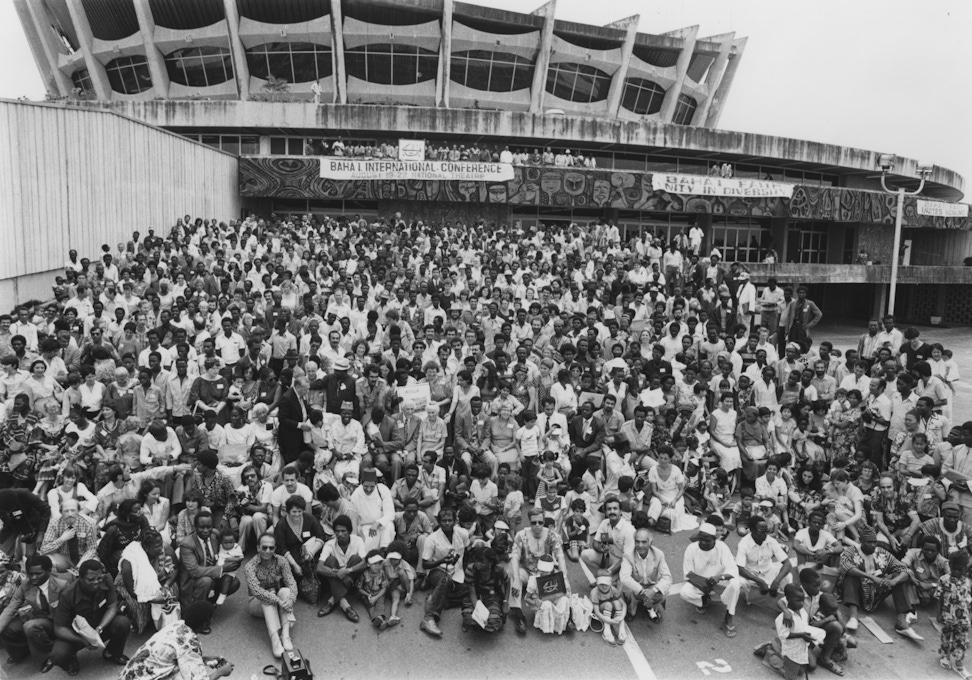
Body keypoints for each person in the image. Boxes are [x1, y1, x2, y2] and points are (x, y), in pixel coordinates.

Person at [837, 524, 921, 640]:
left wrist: (893, 581)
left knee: (900, 576)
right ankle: (853, 616)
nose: (873, 545)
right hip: (858, 592)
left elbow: (905, 570)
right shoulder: (851, 551)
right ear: (861, 540)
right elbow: (844, 567)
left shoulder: (882, 552)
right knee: (850, 575)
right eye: (869, 542)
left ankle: (901, 622)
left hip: (877, 592)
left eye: (874, 542)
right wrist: (871, 577)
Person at [50, 559, 131, 673]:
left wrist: (99, 628)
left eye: (99, 578)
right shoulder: (67, 595)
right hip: (77, 633)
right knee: (58, 655)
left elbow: (112, 607)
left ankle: (112, 653)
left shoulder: (106, 579)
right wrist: (82, 640)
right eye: (91, 579)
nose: (96, 582)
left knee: (123, 622)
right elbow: (59, 629)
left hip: (99, 627)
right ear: (80, 578)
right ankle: (70, 660)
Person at [121, 601, 234, 680]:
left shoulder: (178, 625)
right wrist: (221, 672)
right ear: (205, 624)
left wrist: (202, 659)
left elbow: (178, 655)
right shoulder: (189, 644)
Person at [0, 554, 70, 669]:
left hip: (58, 621)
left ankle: (47, 656)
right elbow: (12, 606)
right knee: (7, 628)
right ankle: (22, 651)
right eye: (30, 574)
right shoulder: (26, 584)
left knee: (30, 626)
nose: (33, 577)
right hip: (38, 616)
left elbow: (69, 612)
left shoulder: (62, 584)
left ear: (48, 571)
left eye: (38, 574)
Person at [680, 522, 741, 638]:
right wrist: (702, 586)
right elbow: (688, 574)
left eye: (707, 540)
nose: (703, 543)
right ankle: (705, 600)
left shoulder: (722, 547)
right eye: (701, 539)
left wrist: (719, 577)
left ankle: (729, 615)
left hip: (719, 580)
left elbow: (732, 570)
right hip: (700, 582)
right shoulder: (691, 549)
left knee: (735, 584)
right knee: (684, 592)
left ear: (714, 539)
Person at [245, 532, 298, 658]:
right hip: (256, 603)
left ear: (275, 548)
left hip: (278, 599)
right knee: (267, 598)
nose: (267, 551)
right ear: (258, 548)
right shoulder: (250, 566)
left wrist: (291, 599)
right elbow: (257, 591)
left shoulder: (282, 561)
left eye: (271, 548)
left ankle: (285, 635)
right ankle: (275, 640)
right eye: (264, 547)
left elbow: (291, 582)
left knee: (286, 591)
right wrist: (278, 600)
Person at [419, 506, 469, 638]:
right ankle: (429, 618)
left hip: (457, 571)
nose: (447, 523)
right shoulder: (432, 539)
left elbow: (467, 552)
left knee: (470, 589)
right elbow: (425, 564)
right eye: (444, 521)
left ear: (454, 521)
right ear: (439, 522)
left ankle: (436, 599)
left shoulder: (463, 533)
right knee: (445, 580)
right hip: (437, 570)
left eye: (450, 520)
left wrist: (468, 570)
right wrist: (441, 561)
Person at [177, 511, 241, 613]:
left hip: (211, 576)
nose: (206, 530)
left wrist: (235, 560)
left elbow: (228, 550)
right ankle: (196, 613)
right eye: (202, 527)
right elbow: (195, 571)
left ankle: (209, 604)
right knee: (205, 581)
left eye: (209, 526)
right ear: (195, 526)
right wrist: (222, 568)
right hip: (193, 582)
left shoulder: (214, 535)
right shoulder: (187, 544)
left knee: (234, 582)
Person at [316, 514, 366, 621]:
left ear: (349, 531)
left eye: (343, 531)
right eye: (337, 531)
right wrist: (340, 575)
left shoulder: (358, 540)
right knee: (330, 561)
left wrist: (347, 571)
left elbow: (365, 563)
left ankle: (332, 601)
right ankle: (345, 605)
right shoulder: (329, 544)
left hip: (352, 578)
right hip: (338, 578)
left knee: (356, 558)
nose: (340, 534)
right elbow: (319, 568)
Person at [619, 528, 671, 621]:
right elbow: (624, 577)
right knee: (626, 589)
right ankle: (632, 610)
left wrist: (654, 590)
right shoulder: (628, 555)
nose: (640, 545)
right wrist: (642, 591)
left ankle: (651, 609)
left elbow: (667, 577)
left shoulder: (659, 554)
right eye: (637, 542)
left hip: (651, 585)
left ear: (650, 543)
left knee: (664, 592)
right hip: (636, 586)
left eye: (644, 542)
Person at [935, 549, 972, 678]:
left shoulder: (968, 582)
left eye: (960, 569)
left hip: (963, 618)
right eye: (954, 569)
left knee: (962, 640)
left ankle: (958, 662)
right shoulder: (944, 580)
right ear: (950, 566)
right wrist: (939, 613)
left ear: (965, 568)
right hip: (948, 616)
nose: (956, 572)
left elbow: (968, 599)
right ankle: (944, 656)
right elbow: (939, 597)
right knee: (946, 636)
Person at [591, 568, 627, 646]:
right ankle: (606, 631)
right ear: (597, 583)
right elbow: (596, 612)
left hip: (609, 611)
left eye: (606, 584)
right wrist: (608, 621)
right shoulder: (594, 592)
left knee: (617, 603)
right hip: (601, 613)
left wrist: (621, 618)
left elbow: (624, 605)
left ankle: (621, 628)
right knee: (608, 604)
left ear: (610, 583)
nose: (604, 586)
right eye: (601, 584)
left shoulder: (613, 589)